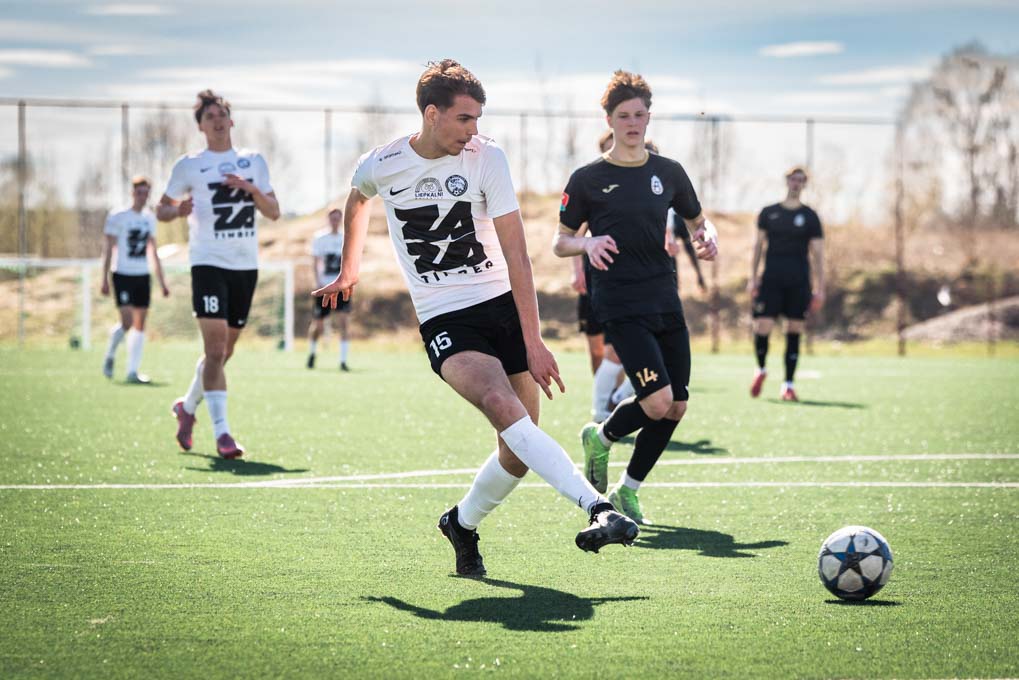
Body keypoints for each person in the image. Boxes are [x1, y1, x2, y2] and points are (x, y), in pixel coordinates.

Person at [314, 59, 638, 577]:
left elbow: (518, 256)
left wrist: (533, 340)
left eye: (478, 119)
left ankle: (461, 523)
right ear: (432, 114)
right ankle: (598, 507)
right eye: (464, 118)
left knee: (517, 449)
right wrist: (349, 269)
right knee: (501, 404)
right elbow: (357, 199)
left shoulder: (488, 158)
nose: (473, 130)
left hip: (502, 306)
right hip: (445, 317)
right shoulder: (383, 163)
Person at [554, 70, 718, 525]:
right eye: (623, 115)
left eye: (639, 114)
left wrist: (708, 238)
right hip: (619, 302)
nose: (632, 123)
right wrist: (587, 243)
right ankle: (603, 436)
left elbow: (698, 221)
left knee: (677, 404)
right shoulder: (587, 179)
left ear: (649, 117)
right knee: (657, 401)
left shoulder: (669, 172)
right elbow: (560, 241)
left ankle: (627, 488)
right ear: (609, 119)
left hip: (665, 297)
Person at [158, 89, 280, 458]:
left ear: (231, 120)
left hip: (245, 266)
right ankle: (223, 434)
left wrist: (249, 188)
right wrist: (178, 210)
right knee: (213, 350)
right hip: (208, 263)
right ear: (200, 126)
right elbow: (162, 210)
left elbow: (274, 211)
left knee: (224, 352)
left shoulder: (253, 161)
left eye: (222, 114)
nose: (217, 121)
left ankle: (187, 407)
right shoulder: (189, 166)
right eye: (209, 116)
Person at [748, 167, 824, 402]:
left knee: (794, 329)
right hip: (771, 280)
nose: (796, 183)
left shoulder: (810, 217)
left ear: (804, 184)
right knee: (762, 326)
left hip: (799, 282)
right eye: (793, 179)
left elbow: (818, 255)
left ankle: (788, 385)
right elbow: (757, 247)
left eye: (800, 180)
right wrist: (752, 278)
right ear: (787, 181)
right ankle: (761, 369)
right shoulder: (768, 213)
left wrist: (820, 288)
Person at [100, 176, 170, 383]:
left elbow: (153, 251)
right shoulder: (118, 216)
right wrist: (104, 278)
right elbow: (108, 249)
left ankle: (133, 371)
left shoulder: (149, 218)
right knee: (127, 322)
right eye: (139, 192)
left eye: (146, 193)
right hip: (122, 274)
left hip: (142, 275)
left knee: (140, 324)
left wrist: (162, 282)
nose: (143, 196)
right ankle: (110, 354)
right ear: (132, 193)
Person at [307, 205, 352, 371]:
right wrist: (317, 281)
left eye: (337, 218)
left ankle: (343, 361)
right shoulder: (320, 238)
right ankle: (312, 353)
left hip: (341, 287)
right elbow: (315, 262)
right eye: (332, 218)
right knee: (318, 325)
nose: (335, 221)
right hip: (324, 287)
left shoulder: (346, 237)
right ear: (328, 219)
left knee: (344, 323)